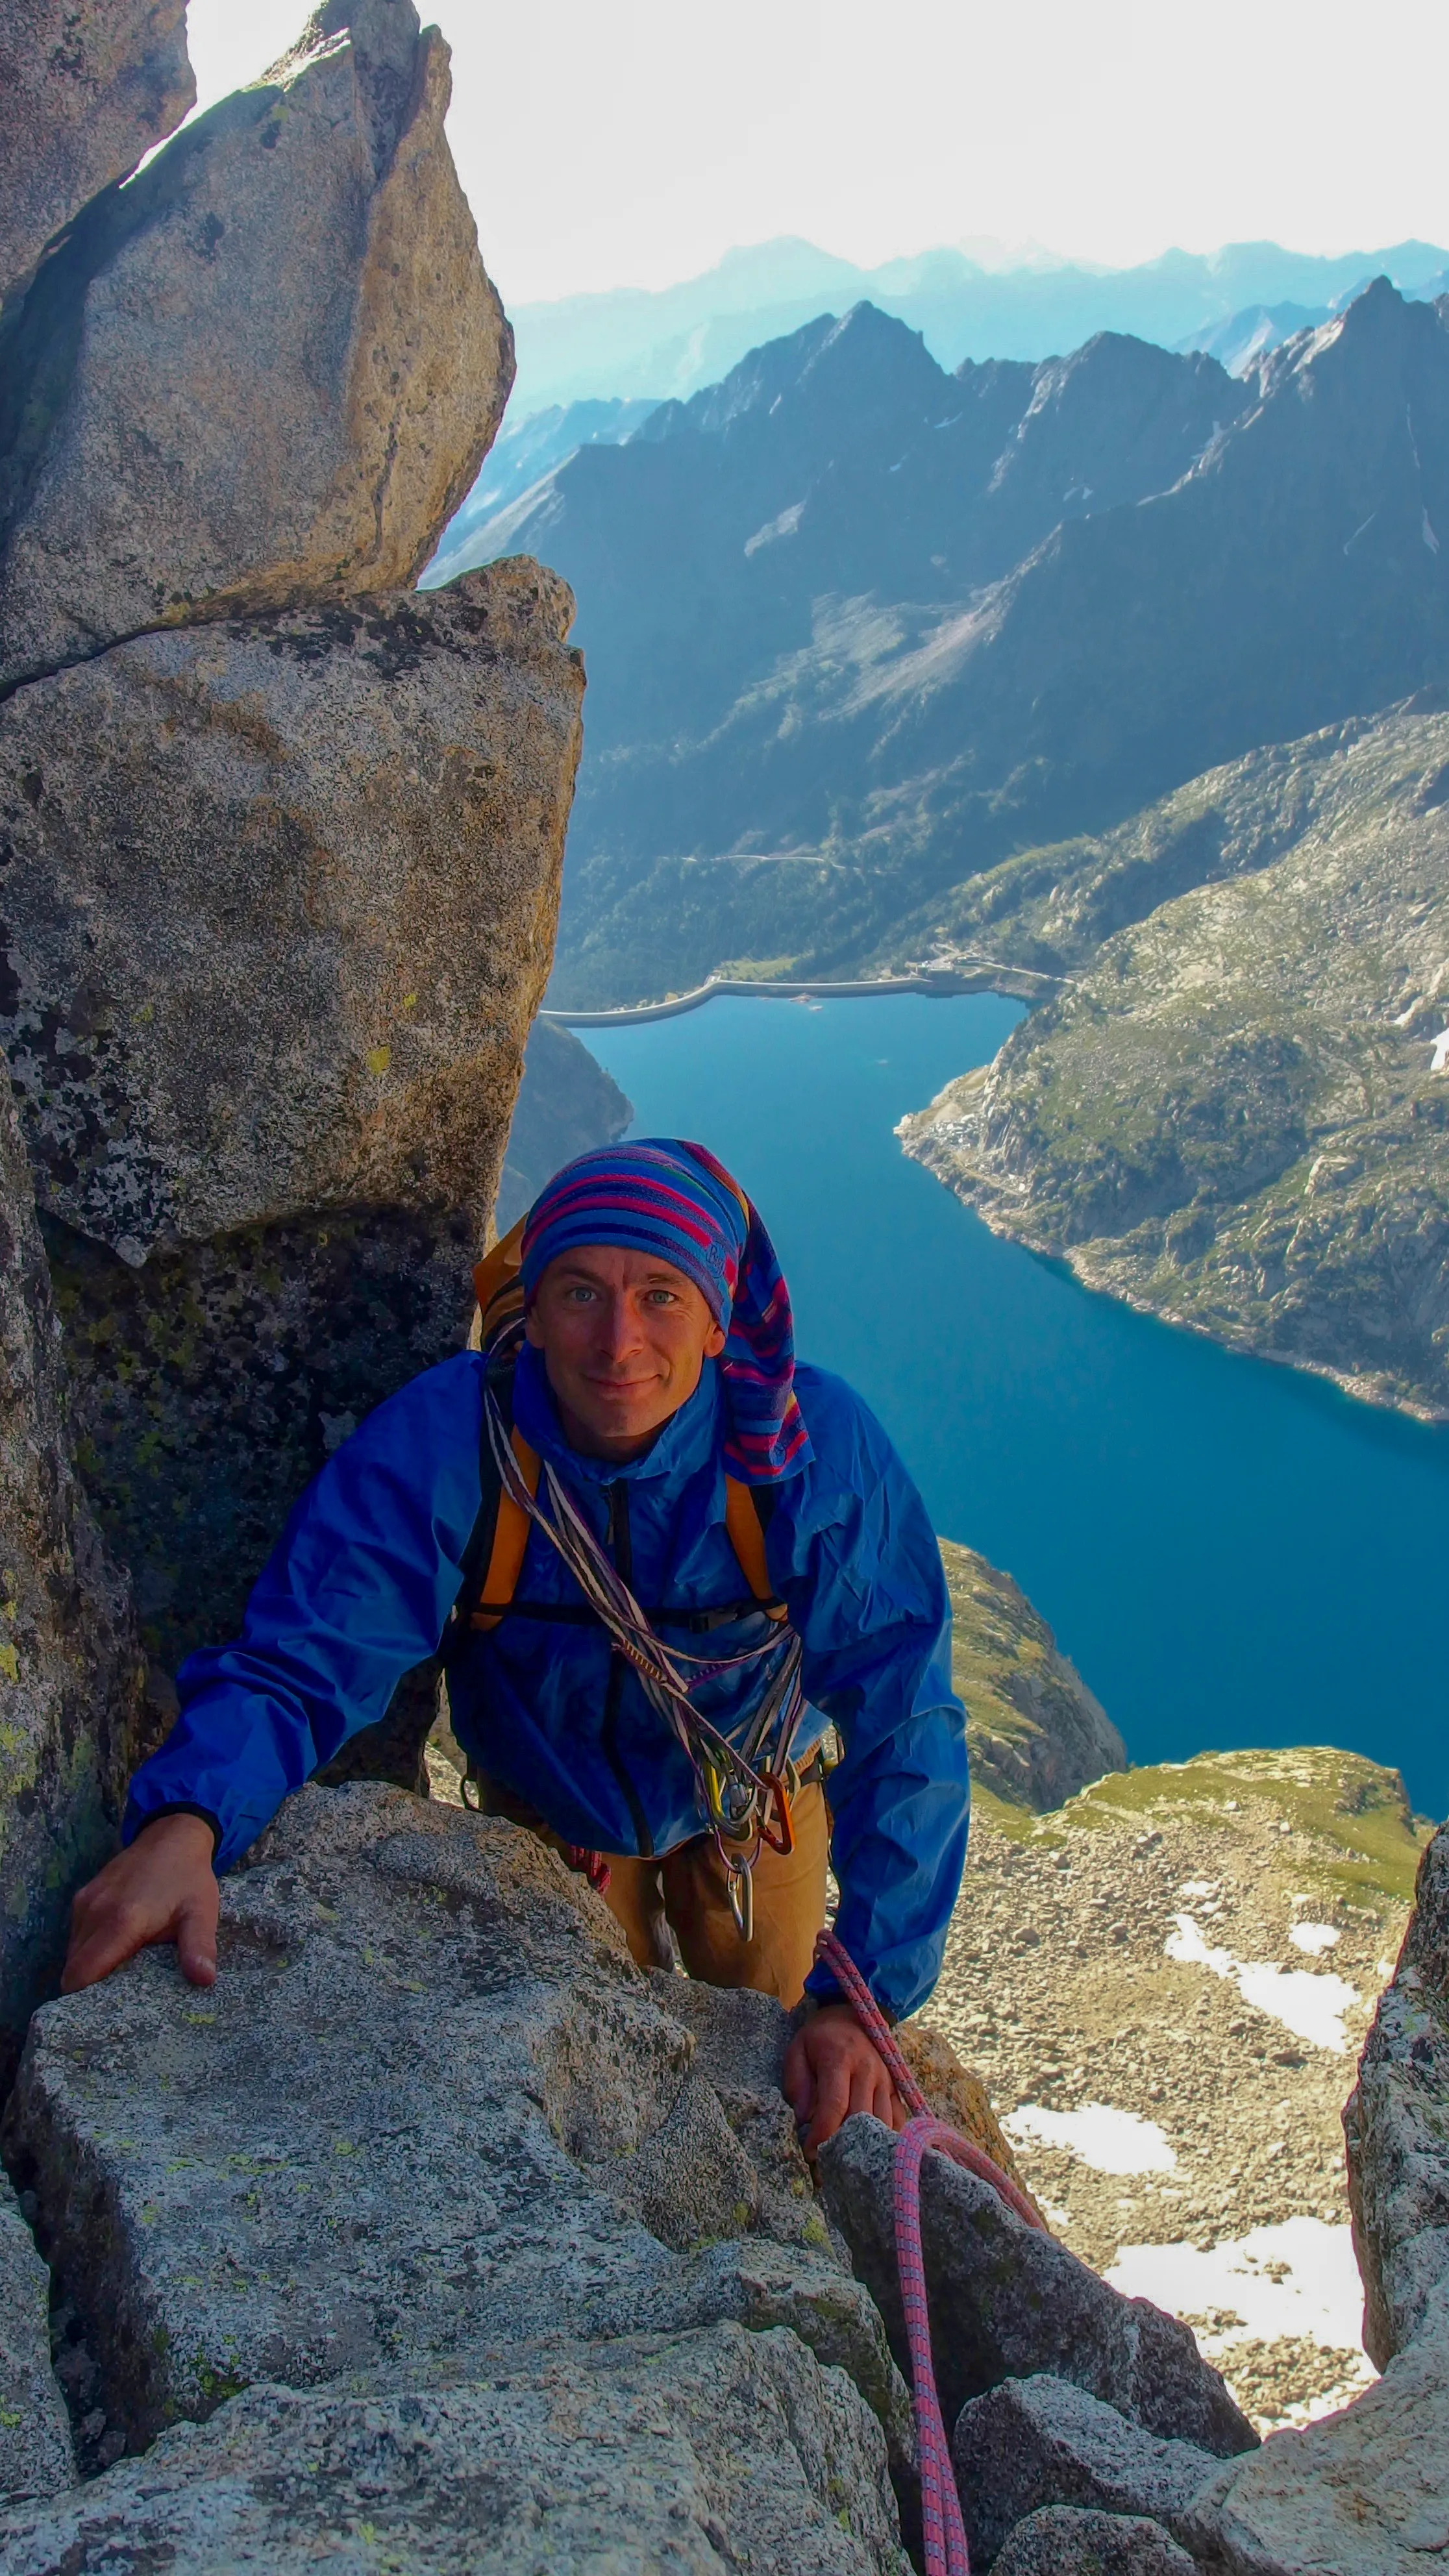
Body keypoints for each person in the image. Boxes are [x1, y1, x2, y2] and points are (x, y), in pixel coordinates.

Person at [62, 1139, 969, 2153]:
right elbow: (309, 1651)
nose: (619, 1341)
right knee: (606, 2109)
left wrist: (860, 1997)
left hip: (748, 1805)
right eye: (581, 1293)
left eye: (662, 1295)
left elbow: (904, 1720)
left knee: (784, 2071)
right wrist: (186, 1822)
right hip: (549, 1820)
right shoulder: (455, 1439)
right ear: (530, 1312)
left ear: (721, 1322)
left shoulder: (809, 1451)